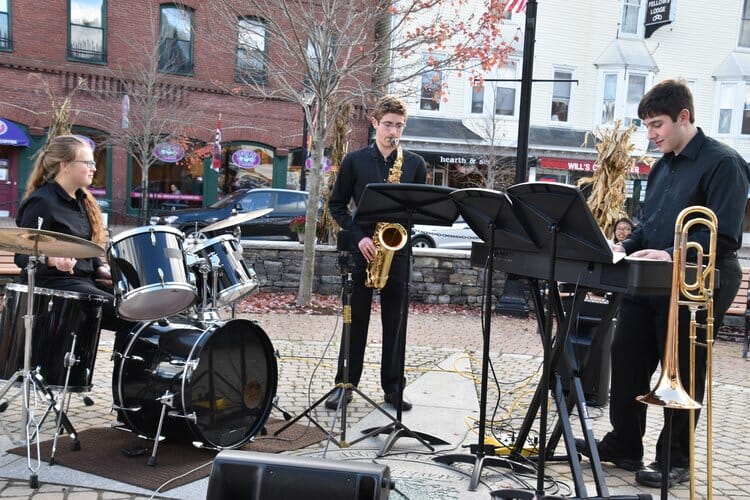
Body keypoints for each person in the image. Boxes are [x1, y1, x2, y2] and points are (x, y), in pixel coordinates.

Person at [576, 79, 749, 488]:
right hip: (650, 282)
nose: (650, 134)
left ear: (684, 117)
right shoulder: (661, 166)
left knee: (684, 373)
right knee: (627, 356)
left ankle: (675, 460)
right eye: (648, 126)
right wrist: (621, 246)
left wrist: (673, 255)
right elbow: (648, 227)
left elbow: (724, 235)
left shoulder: (725, 163)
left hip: (699, 281)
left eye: (656, 125)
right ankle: (623, 444)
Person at [325, 95, 427, 411]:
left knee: (395, 323)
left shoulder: (414, 164)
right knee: (354, 322)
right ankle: (345, 384)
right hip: (363, 250)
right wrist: (358, 237)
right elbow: (337, 205)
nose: (393, 131)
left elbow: (420, 209)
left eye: (399, 125)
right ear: (374, 123)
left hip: (396, 251)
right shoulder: (355, 161)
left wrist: (401, 230)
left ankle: (393, 389)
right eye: (387, 124)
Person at [14, 135, 132, 334]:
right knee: (128, 313)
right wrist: (52, 261)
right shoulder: (42, 201)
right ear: (65, 165)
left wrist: (101, 269)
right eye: (88, 162)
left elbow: (86, 247)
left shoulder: (83, 201)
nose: (94, 168)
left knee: (141, 306)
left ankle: (125, 363)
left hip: (84, 282)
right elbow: (21, 256)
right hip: (54, 287)